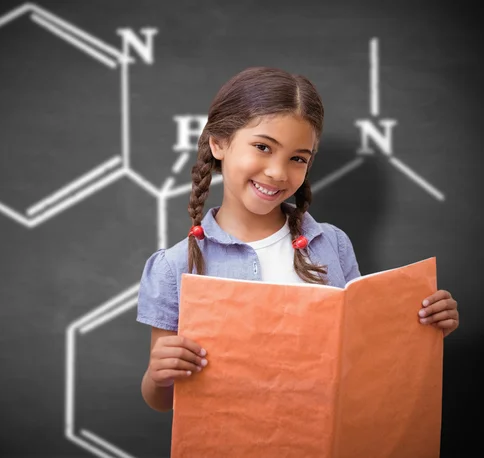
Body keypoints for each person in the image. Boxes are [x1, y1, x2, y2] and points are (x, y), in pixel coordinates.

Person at [136, 66, 459, 412]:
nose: (277, 172)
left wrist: (424, 327)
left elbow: (365, 352)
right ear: (219, 143)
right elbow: (163, 400)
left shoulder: (331, 244)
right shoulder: (173, 267)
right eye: (262, 147)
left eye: (297, 159)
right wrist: (159, 375)